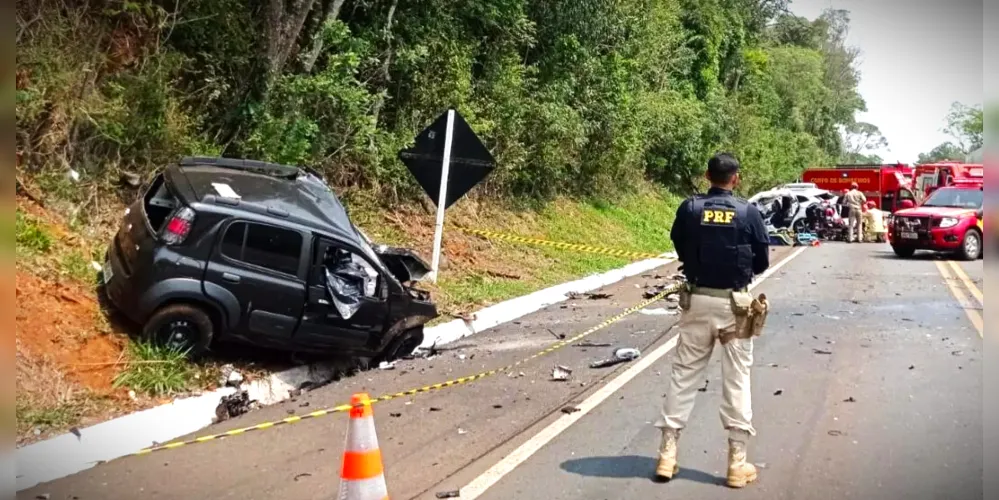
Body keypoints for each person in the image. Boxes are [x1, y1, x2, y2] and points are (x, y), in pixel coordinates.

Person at [656, 152, 770, 488]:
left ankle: (667, 455)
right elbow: (762, 260)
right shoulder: (748, 212)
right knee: (736, 381)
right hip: (735, 305)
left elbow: (679, 243)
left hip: (697, 302)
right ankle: (737, 464)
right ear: (735, 178)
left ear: (707, 176)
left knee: (683, 376)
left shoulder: (690, 208)